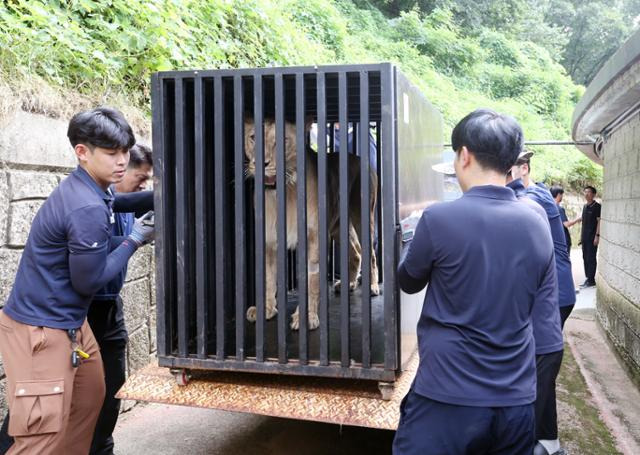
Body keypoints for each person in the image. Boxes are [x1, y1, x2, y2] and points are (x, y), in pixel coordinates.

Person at [393, 109, 557, 455]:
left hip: (446, 398)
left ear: (464, 155)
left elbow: (408, 281)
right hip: (515, 402)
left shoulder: (439, 219)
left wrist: (408, 243)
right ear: (511, 162)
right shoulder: (537, 222)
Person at [0, 107, 154, 454]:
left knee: (89, 400)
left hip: (70, 325)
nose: (121, 161)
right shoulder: (84, 206)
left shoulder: (91, 186)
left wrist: (167, 197)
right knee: (41, 436)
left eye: (125, 151)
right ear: (82, 152)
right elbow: (91, 280)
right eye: (112, 153)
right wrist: (135, 238)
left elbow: (121, 202)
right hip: (41, 331)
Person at [507, 170, 567, 455]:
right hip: (553, 297)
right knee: (543, 380)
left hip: (550, 304)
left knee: (532, 388)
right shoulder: (532, 197)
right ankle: (550, 443)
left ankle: (537, 442)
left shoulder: (532, 201)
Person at [510, 152, 576, 326]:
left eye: (508, 172)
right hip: (549, 292)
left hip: (555, 294)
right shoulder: (534, 193)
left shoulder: (535, 197)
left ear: (524, 168)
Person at [566, 186, 601, 287]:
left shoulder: (597, 206)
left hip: (592, 237)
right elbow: (584, 223)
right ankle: (588, 278)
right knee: (585, 257)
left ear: (594, 194)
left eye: (589, 192)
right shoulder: (585, 207)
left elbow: (599, 222)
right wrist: (581, 237)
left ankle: (591, 280)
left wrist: (597, 236)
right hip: (585, 237)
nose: (586, 194)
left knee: (591, 258)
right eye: (585, 192)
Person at [550, 186, 572, 254]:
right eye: (562, 195)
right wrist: (579, 219)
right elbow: (566, 224)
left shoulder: (549, 207)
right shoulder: (559, 209)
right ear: (559, 195)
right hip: (563, 239)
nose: (562, 196)